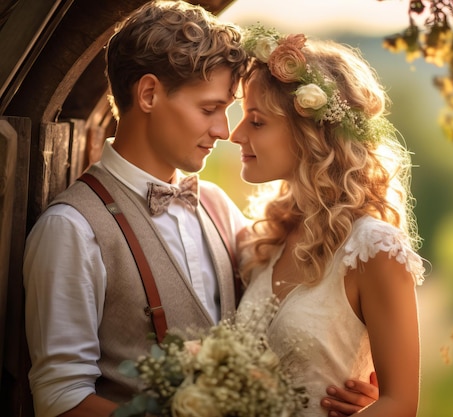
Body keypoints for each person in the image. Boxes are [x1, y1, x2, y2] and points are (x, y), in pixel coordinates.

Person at [23, 2, 377, 416]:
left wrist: (360, 393)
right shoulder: (71, 228)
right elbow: (60, 399)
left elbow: (303, 305)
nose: (223, 130)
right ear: (149, 93)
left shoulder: (218, 207)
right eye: (209, 109)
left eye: (226, 109)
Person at [232, 25, 426, 417]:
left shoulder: (374, 248)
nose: (235, 135)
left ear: (310, 132)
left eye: (256, 121)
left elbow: (400, 404)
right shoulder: (268, 237)